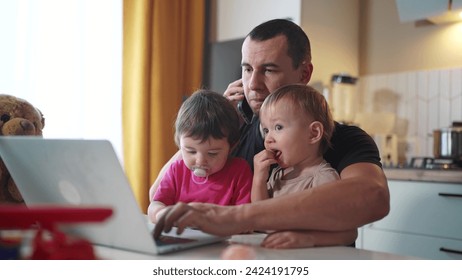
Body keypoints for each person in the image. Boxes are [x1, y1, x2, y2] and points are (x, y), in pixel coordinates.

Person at [152, 19, 389, 248]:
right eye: (247, 69)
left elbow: (374, 196)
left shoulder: (343, 138)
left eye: (269, 70)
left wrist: (238, 216)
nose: (253, 83)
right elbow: (157, 192)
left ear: (304, 73)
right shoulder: (233, 133)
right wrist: (212, 125)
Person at [251, 84, 357, 248]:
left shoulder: (322, 178)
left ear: (313, 133)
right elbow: (260, 218)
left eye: (278, 127)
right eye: (266, 130)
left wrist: (308, 239)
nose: (268, 139)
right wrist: (259, 179)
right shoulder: (278, 175)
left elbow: (348, 233)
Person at [147, 89, 252, 223]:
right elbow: (155, 203)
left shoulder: (239, 171)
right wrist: (160, 213)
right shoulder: (176, 170)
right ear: (179, 144)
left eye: (212, 153)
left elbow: (245, 217)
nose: (200, 161)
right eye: (191, 151)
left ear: (232, 146)